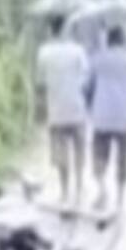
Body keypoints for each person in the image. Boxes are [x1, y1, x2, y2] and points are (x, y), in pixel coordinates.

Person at [35, 18, 90, 205]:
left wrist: (41, 110)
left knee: (61, 155)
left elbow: (40, 85)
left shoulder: (44, 53)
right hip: (77, 109)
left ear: (51, 30)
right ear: (67, 30)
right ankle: (79, 187)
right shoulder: (78, 50)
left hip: (56, 111)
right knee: (79, 150)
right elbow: (85, 79)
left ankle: (65, 191)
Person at [89, 25, 126, 211]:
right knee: (122, 159)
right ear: (124, 41)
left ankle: (102, 189)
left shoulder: (98, 59)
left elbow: (89, 80)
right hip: (123, 118)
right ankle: (120, 200)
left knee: (99, 156)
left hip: (102, 116)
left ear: (108, 40)